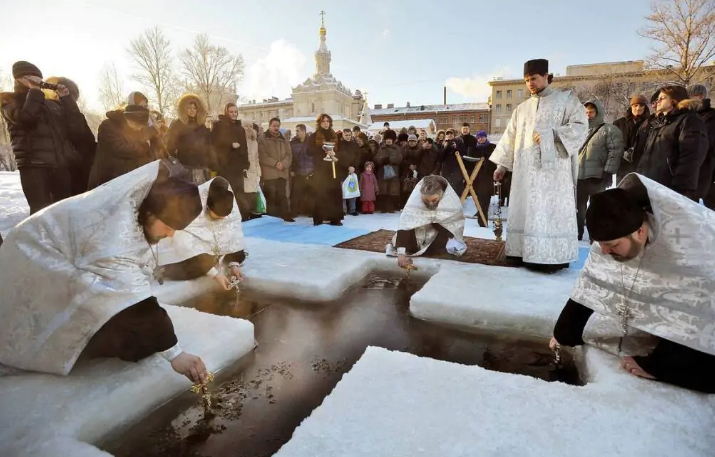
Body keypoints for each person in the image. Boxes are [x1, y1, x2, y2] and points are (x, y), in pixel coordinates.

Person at [0, 161, 209, 383]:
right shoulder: (114, 232)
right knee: (125, 334)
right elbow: (134, 301)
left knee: (134, 336)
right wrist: (175, 353)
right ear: (151, 212)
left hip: (56, 258)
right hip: (33, 260)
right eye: (168, 226)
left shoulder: (135, 208)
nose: (170, 235)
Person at [551, 174, 715, 393]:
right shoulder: (614, 233)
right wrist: (564, 332)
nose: (605, 251)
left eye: (612, 245)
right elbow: (594, 280)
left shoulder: (694, 246)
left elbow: (700, 307)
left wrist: (661, 366)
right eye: (601, 245)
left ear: (639, 231)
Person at [491, 58, 587, 272]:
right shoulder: (521, 109)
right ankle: (520, 252)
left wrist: (552, 134)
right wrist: (502, 167)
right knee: (525, 209)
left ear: (546, 76)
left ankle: (551, 256)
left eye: (533, 78)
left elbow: (581, 127)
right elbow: (510, 138)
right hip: (525, 174)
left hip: (552, 175)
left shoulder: (566, 100)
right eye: (526, 80)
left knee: (546, 212)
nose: (530, 84)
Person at [0, 61, 77, 213]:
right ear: (18, 79)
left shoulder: (48, 102)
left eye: (38, 77)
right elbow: (25, 119)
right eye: (30, 76)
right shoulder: (7, 100)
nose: (36, 79)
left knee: (65, 211)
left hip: (60, 166)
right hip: (33, 166)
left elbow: (73, 124)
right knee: (40, 213)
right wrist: (34, 91)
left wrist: (66, 99)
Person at [158, 177, 246, 288]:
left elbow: (233, 234)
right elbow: (183, 241)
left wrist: (234, 264)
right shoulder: (191, 205)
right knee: (189, 270)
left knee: (234, 247)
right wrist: (215, 274)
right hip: (189, 251)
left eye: (223, 218)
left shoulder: (229, 205)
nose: (221, 221)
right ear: (208, 208)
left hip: (208, 251)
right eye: (217, 218)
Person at [636, 85, 708, 201]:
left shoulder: (689, 120)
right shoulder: (659, 124)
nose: (657, 101)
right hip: (651, 184)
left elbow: (691, 157)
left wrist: (678, 186)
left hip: (673, 189)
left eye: (662, 98)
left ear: (675, 100)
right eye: (657, 98)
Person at [386, 175, 466, 267]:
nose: (430, 204)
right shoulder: (416, 199)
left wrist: (435, 220)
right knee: (406, 243)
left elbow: (453, 226)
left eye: (434, 200)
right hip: (418, 232)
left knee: (443, 248)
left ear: (442, 194)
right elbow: (406, 223)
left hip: (438, 233)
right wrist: (401, 254)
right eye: (426, 200)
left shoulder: (449, 199)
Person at [576, 99, 624, 240]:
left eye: (591, 112)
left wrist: (608, 171)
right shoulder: (580, 131)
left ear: (598, 112)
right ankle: (577, 233)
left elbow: (615, 151)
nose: (588, 115)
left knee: (596, 208)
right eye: (586, 112)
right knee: (579, 208)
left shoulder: (608, 130)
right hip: (579, 176)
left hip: (597, 176)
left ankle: (594, 235)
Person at [88, 104, 161, 189]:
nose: (139, 129)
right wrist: (145, 145)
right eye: (138, 126)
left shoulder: (131, 127)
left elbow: (142, 135)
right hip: (107, 179)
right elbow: (120, 149)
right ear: (128, 119)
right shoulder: (107, 126)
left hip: (124, 179)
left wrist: (153, 130)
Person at [211, 103, 250, 219]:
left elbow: (244, 147)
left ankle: (241, 215)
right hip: (225, 165)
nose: (233, 114)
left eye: (235, 112)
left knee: (239, 191)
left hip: (237, 166)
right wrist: (230, 145)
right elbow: (215, 144)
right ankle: (226, 216)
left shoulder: (240, 128)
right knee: (226, 191)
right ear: (226, 112)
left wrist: (245, 164)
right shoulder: (219, 126)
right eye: (231, 111)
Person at [166, 94, 213, 184]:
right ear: (184, 109)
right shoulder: (177, 125)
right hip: (186, 168)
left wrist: (211, 164)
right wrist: (178, 163)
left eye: (194, 108)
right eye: (189, 108)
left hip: (202, 167)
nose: (192, 110)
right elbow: (169, 146)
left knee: (202, 195)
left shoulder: (201, 125)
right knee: (189, 195)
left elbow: (208, 145)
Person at [307, 114, 344, 226]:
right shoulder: (314, 136)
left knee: (334, 193)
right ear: (319, 123)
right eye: (323, 121)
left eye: (328, 121)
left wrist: (335, 154)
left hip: (333, 168)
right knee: (320, 193)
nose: (326, 123)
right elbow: (308, 151)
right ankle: (319, 218)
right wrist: (321, 148)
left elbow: (342, 151)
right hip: (320, 169)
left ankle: (335, 218)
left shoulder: (336, 136)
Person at [258, 117, 294, 222]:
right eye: (274, 126)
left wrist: (283, 164)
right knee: (271, 196)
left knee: (283, 195)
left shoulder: (284, 139)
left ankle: (286, 215)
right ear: (269, 126)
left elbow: (289, 155)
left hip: (282, 172)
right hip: (270, 173)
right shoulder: (262, 139)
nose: (276, 128)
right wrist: (275, 163)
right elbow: (262, 155)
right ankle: (271, 217)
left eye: (278, 126)